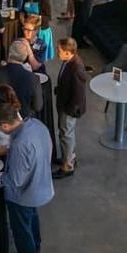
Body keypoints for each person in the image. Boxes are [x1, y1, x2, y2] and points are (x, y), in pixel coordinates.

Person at [0, 103, 54, 253]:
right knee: (32, 217)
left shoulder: (19, 144)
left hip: (22, 196)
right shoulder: (36, 125)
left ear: (4, 125)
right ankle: (36, 246)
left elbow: (15, 181)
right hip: (41, 185)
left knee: (21, 231)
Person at [54, 37, 87, 180]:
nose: (57, 52)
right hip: (65, 104)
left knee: (66, 135)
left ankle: (67, 166)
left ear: (68, 53)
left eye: (60, 50)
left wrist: (70, 111)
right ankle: (69, 157)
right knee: (67, 134)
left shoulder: (76, 69)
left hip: (69, 109)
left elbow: (78, 95)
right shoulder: (68, 62)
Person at [0, 40, 43, 118]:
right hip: (23, 123)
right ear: (25, 57)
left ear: (9, 54)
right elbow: (38, 106)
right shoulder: (34, 79)